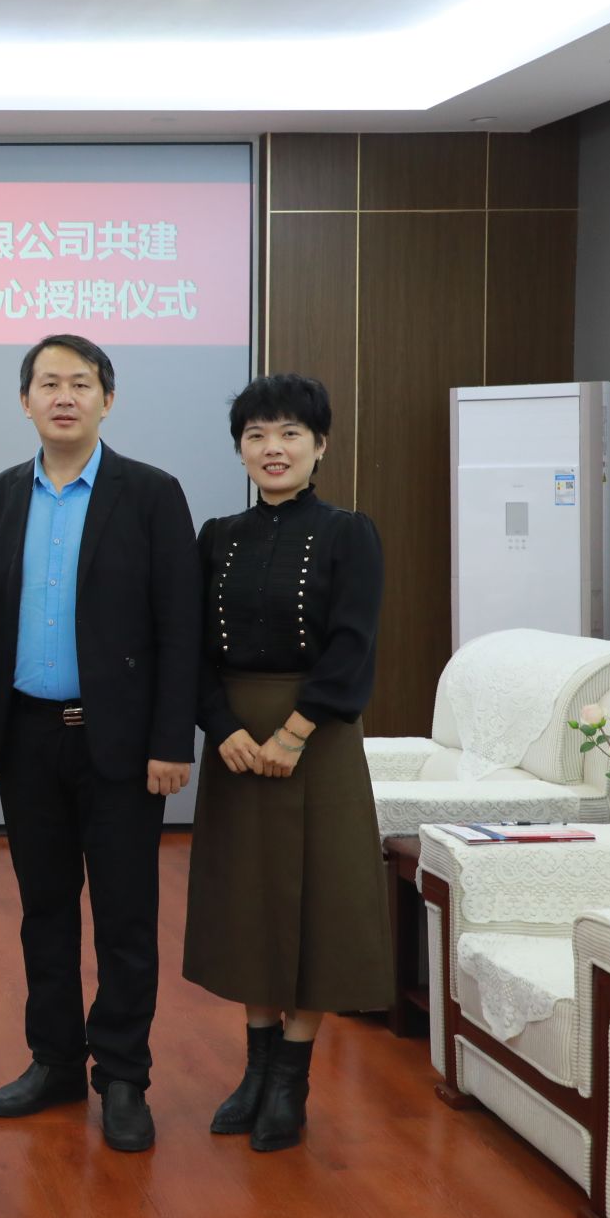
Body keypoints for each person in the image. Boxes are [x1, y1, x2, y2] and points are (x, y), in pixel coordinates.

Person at [0, 333, 200, 1153]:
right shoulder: (1, 496)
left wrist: (172, 740)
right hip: (27, 738)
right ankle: (57, 1060)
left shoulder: (151, 494)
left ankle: (124, 1075)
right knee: (44, 910)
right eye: (48, 383)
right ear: (24, 400)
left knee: (127, 916)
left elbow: (179, 627)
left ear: (108, 398)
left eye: (80, 382)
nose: (63, 396)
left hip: (124, 746)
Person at [184, 373, 390, 1153]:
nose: (273, 448)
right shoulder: (217, 536)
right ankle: (255, 1069)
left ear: (320, 444)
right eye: (257, 435)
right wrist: (221, 726)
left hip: (318, 737)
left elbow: (353, 644)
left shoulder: (349, 532)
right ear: (240, 448)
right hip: (237, 742)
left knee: (318, 904)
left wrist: (296, 731)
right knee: (248, 902)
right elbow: (191, 645)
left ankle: (291, 1081)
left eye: (290, 433)